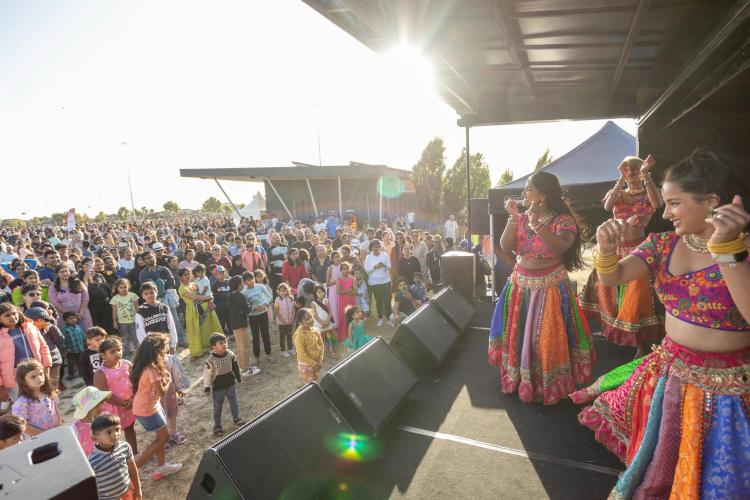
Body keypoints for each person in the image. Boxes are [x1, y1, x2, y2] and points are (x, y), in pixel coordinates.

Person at [570, 150, 750, 498]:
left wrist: (727, 250)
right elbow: (613, 277)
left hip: (732, 391)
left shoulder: (742, 251)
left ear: (711, 202)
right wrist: (606, 249)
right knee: (666, 467)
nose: (664, 213)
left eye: (674, 203)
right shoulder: (662, 245)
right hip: (675, 376)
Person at [489, 171, 594, 405]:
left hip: (549, 286)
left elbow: (560, 248)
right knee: (521, 337)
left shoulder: (562, 220)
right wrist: (514, 217)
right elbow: (506, 246)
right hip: (521, 284)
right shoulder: (522, 218)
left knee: (544, 339)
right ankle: (522, 380)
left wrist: (537, 225)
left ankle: (547, 383)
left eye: (528, 188)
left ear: (543, 195)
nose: (524, 192)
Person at [580, 155, 665, 357]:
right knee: (610, 293)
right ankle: (618, 332)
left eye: (635, 167)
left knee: (637, 298)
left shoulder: (649, 192)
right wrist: (620, 179)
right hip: (615, 250)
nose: (631, 171)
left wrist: (646, 176)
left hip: (638, 249)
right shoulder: (617, 193)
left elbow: (659, 203)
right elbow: (607, 207)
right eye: (627, 168)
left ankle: (641, 344)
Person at [130, 333, 182, 478]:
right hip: (147, 410)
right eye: (164, 347)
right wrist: (168, 380)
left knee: (161, 437)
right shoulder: (152, 370)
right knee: (163, 438)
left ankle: (161, 466)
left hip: (149, 408)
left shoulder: (145, 365)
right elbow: (161, 393)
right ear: (157, 350)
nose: (166, 349)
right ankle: (134, 466)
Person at [0, 303, 53, 403]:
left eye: (14, 313)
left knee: (43, 398)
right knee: (22, 404)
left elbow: (43, 347)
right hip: (14, 377)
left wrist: (47, 365)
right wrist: (1, 386)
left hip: (36, 370)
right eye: (7, 315)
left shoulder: (30, 327)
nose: (12, 317)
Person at [94, 337, 138, 454]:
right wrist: (122, 403)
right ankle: (112, 456)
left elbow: (136, 381)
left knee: (129, 428)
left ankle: (134, 453)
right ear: (103, 355)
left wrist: (132, 399)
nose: (117, 353)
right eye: (112, 351)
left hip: (129, 404)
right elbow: (104, 394)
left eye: (119, 349)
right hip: (113, 408)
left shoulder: (126, 364)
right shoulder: (100, 373)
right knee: (112, 433)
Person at [88, 414, 142, 499]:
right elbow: (90, 487)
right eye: (109, 432)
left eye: (117, 429)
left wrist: (138, 489)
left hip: (127, 493)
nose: (115, 434)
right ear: (94, 438)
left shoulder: (125, 447)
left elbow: (132, 468)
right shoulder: (91, 461)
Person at [203, 333, 244, 437]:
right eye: (221, 343)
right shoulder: (210, 361)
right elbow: (207, 375)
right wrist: (207, 387)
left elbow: (235, 367)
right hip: (218, 388)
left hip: (230, 384)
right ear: (213, 347)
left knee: (234, 402)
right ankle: (217, 426)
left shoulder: (231, 354)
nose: (225, 344)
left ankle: (236, 418)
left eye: (225, 342)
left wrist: (238, 377)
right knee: (218, 407)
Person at [11, 359, 60, 437]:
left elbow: (56, 411)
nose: (39, 378)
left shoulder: (49, 393)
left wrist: (60, 428)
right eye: (33, 377)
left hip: (55, 434)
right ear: (23, 381)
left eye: (41, 374)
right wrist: (44, 435)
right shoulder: (22, 403)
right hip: (38, 440)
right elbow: (23, 426)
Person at [177, 268, 218, 360]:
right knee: (194, 330)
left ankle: (208, 346)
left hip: (203, 307)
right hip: (192, 310)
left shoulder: (194, 284)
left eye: (189, 274)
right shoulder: (182, 288)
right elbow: (195, 297)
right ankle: (196, 352)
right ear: (181, 277)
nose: (188, 276)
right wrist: (208, 298)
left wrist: (210, 300)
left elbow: (203, 293)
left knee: (206, 327)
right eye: (185, 274)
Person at [25, 306, 64, 390]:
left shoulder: (49, 327)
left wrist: (51, 329)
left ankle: (54, 399)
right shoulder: (28, 332)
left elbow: (60, 340)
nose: (42, 321)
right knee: (43, 385)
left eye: (43, 319)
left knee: (53, 383)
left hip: (54, 359)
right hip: (40, 362)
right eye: (38, 320)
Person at [227, 275, 258, 376]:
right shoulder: (239, 296)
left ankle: (243, 366)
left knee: (240, 346)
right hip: (240, 323)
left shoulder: (230, 295)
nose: (242, 285)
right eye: (241, 283)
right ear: (238, 285)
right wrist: (251, 305)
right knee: (243, 347)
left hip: (234, 323)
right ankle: (245, 369)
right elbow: (246, 309)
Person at [242, 271, 274, 367]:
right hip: (253, 316)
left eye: (251, 278)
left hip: (263, 313)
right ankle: (257, 357)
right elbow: (245, 305)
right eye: (248, 280)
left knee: (265, 334)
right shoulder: (244, 293)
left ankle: (268, 354)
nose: (251, 281)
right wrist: (253, 308)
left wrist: (265, 304)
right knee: (255, 337)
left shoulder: (260, 287)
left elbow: (270, 296)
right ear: (244, 282)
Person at [48, 264, 93, 330]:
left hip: (82, 313)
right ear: (57, 274)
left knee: (88, 334)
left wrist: (81, 312)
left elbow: (85, 298)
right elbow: (55, 303)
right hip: (65, 317)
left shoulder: (78, 282)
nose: (65, 273)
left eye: (66, 271)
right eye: (61, 272)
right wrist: (71, 314)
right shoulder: (53, 287)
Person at [71, 385, 110, 456]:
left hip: (108, 456)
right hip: (91, 462)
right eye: (96, 406)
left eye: (101, 403)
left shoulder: (104, 417)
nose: (100, 407)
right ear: (86, 408)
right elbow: (74, 449)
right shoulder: (76, 428)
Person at [364, 240, 393, 326]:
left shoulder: (385, 255)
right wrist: (375, 267)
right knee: (378, 301)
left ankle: (389, 319)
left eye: (377, 246)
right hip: (374, 282)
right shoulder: (368, 257)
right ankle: (380, 318)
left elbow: (389, 267)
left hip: (385, 281)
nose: (376, 248)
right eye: (374, 247)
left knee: (387, 300)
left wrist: (383, 266)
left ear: (379, 247)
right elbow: (367, 270)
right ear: (371, 248)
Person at [110, 278, 139, 358]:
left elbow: (137, 308)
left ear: (128, 287)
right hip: (122, 322)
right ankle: (126, 353)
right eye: (121, 287)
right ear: (117, 288)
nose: (123, 289)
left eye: (125, 287)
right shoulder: (115, 298)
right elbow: (114, 311)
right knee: (125, 337)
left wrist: (139, 319)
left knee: (135, 336)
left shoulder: (133, 296)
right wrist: (114, 322)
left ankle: (139, 351)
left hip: (134, 321)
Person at [293, 308, 324, 384]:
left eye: (311, 317)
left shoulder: (315, 330)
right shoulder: (299, 335)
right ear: (300, 323)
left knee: (316, 381)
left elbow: (321, 345)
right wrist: (314, 364)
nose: (311, 320)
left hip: (316, 362)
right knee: (311, 386)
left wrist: (320, 360)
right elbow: (301, 353)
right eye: (307, 319)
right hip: (306, 365)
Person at [311, 285, 336, 358]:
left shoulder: (326, 300)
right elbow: (315, 315)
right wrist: (322, 322)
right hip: (319, 324)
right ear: (315, 294)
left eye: (322, 291)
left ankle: (331, 351)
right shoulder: (313, 303)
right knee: (321, 340)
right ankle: (320, 354)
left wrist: (327, 321)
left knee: (330, 337)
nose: (321, 293)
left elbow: (330, 311)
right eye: (319, 292)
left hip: (328, 323)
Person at [335, 262, 357, 343]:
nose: (346, 270)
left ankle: (353, 334)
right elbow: (338, 292)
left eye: (347, 269)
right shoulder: (338, 279)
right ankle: (344, 335)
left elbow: (355, 291)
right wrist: (349, 290)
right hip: (342, 302)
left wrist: (345, 291)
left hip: (351, 300)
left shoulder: (353, 279)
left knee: (352, 316)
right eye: (344, 269)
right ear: (341, 270)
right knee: (343, 317)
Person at [61, 311, 86, 380]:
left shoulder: (78, 326)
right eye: (70, 318)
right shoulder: (64, 329)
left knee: (80, 361)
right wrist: (65, 349)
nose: (73, 320)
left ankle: (82, 373)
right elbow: (62, 340)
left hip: (80, 348)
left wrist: (85, 342)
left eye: (75, 318)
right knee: (71, 363)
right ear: (65, 320)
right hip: (70, 350)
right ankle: (71, 374)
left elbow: (82, 335)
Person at [274, 283, 295, 357]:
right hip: (281, 322)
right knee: (282, 336)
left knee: (289, 335)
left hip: (290, 321)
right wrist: (283, 321)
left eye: (284, 290)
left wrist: (292, 318)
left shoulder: (291, 298)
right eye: (281, 291)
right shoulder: (277, 299)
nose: (282, 292)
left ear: (287, 290)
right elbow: (276, 311)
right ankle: (282, 350)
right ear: (278, 292)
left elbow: (293, 309)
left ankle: (290, 348)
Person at [211, 266, 232, 336]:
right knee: (221, 321)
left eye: (223, 273)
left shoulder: (229, 282)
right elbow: (212, 296)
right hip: (220, 306)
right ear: (216, 275)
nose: (222, 275)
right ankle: (222, 335)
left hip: (229, 305)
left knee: (230, 320)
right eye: (219, 273)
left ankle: (232, 332)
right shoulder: (214, 285)